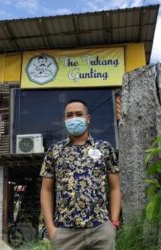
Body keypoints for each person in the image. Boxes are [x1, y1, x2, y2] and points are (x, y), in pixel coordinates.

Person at [40, 99, 121, 250]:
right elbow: (46, 190)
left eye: (79, 114)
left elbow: (115, 187)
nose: (74, 118)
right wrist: (51, 228)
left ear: (88, 118)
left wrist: (113, 222)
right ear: (65, 120)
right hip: (65, 233)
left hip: (101, 230)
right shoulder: (54, 151)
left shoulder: (105, 148)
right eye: (69, 115)